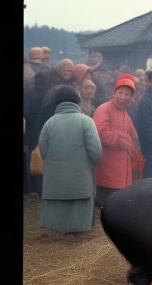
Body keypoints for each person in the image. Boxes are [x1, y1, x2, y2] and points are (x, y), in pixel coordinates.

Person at [38, 86, 102, 233]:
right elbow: (96, 152)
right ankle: (78, 229)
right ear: (77, 102)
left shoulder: (49, 123)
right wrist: (89, 165)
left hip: (55, 184)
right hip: (81, 183)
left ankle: (57, 228)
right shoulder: (86, 122)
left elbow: (43, 151)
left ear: (56, 103)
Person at [93, 75, 140, 206]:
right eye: (120, 93)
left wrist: (133, 144)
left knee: (118, 200)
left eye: (127, 95)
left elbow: (134, 135)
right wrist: (120, 140)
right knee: (106, 197)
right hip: (108, 162)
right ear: (113, 93)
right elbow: (100, 131)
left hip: (122, 165)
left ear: (131, 98)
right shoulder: (104, 108)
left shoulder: (125, 113)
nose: (123, 97)